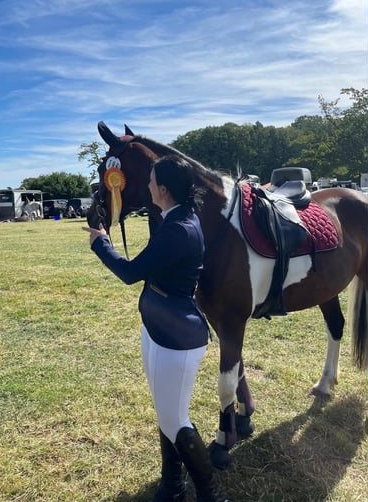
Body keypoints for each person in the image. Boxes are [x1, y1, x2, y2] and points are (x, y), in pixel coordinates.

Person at [83, 155, 228, 502]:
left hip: (176, 338)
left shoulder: (178, 229)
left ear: (162, 189)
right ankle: (172, 485)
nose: (145, 186)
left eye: (150, 181)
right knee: (167, 413)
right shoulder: (172, 219)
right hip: (158, 328)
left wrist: (100, 242)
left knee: (175, 419)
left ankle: (211, 494)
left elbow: (131, 272)